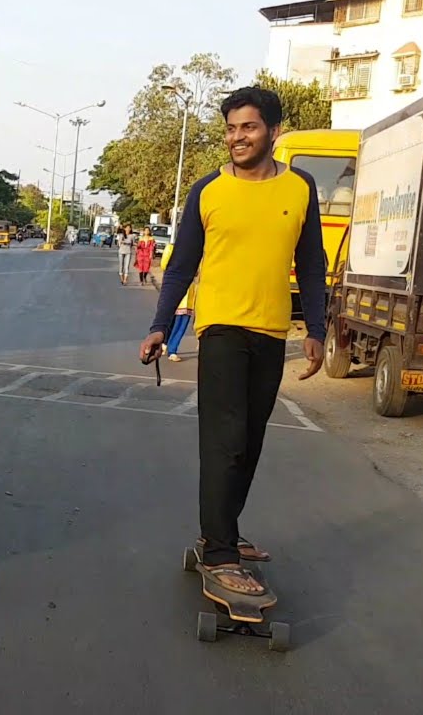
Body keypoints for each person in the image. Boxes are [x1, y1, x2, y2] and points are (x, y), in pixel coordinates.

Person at [139, 87, 326, 596]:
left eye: (248, 127)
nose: (236, 137)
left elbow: (311, 264)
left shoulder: (300, 188)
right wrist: (160, 325)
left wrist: (316, 329)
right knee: (225, 438)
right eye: (230, 128)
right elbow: (180, 266)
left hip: (270, 330)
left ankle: (224, 531)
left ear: (273, 131)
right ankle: (220, 554)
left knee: (251, 441)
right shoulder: (208, 190)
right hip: (219, 325)